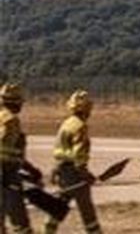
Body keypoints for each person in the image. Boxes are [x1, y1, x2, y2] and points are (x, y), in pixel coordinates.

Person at [42, 91, 99, 234]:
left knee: (58, 207)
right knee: (87, 211)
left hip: (62, 171)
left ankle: (47, 230)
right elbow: (79, 156)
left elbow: (59, 149)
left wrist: (55, 170)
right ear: (86, 109)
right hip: (75, 174)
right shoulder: (80, 127)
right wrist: (85, 174)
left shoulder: (66, 123)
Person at [1, 81, 41, 234]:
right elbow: (9, 152)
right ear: (16, 102)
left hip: (8, 173)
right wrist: (32, 170)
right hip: (7, 174)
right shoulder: (11, 120)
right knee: (20, 221)